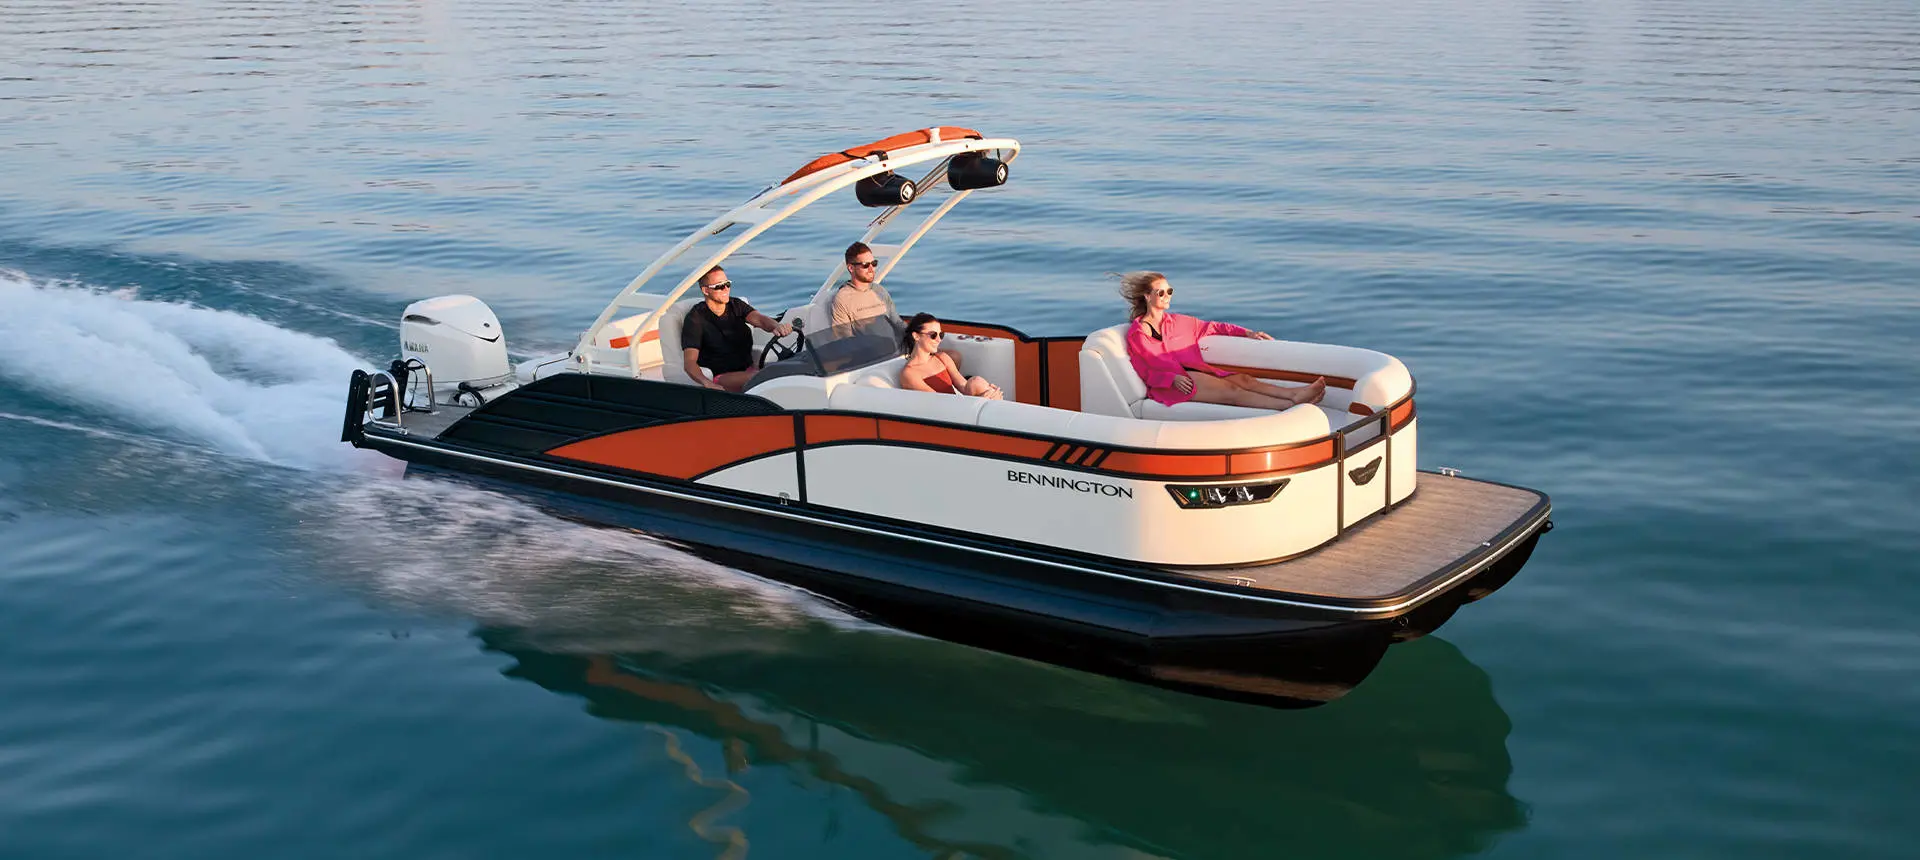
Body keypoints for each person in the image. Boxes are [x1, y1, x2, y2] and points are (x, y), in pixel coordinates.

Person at [1117, 271, 1325, 411]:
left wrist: (1248, 333)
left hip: (1195, 372)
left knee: (1244, 380)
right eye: (1160, 292)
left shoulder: (1179, 322)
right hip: (1174, 385)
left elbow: (1213, 327)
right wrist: (1170, 379)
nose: (1167, 296)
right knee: (1233, 392)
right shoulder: (1138, 334)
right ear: (1147, 296)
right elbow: (1143, 371)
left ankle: (1295, 394)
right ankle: (1289, 407)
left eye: (1170, 291)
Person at [680, 266, 792, 393]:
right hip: (721, 376)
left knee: (789, 369)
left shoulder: (736, 305)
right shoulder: (695, 319)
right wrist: (707, 383)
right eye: (719, 286)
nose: (726, 289)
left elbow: (760, 319)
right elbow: (689, 362)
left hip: (748, 369)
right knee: (768, 378)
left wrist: (776, 326)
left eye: (727, 284)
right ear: (705, 290)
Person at [899, 313, 1001, 399]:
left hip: (957, 405)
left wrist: (990, 393)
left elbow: (963, 386)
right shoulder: (910, 373)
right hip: (943, 415)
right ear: (916, 336)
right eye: (933, 335)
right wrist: (978, 402)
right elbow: (937, 402)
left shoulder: (942, 358)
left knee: (976, 382)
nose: (939, 340)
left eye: (941, 335)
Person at [830, 241, 893, 338]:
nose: (871, 269)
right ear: (851, 268)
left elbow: (896, 322)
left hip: (894, 346)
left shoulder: (879, 290)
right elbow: (844, 340)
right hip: (871, 350)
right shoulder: (843, 299)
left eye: (874, 263)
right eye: (865, 265)